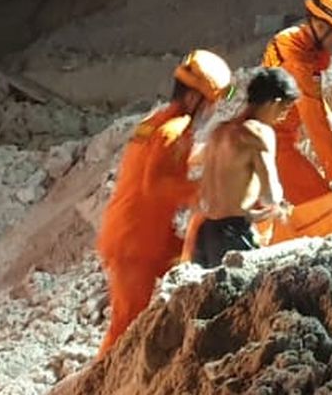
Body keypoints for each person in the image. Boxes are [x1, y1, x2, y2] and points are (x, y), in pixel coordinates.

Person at [96, 49, 231, 355]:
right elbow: (156, 183)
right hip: (135, 244)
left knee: (190, 270)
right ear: (195, 99)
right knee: (125, 324)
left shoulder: (156, 122)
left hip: (146, 235)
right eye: (212, 103)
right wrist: (202, 189)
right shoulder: (174, 130)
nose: (212, 110)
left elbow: (163, 161)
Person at [261, 0, 332, 201]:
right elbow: (315, 122)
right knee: (321, 202)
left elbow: (309, 95)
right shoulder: (299, 62)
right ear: (319, 25)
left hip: (270, 138)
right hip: (273, 146)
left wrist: (327, 111)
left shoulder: (293, 39)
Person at [192, 69, 297, 267]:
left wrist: (256, 215)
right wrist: (279, 206)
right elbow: (270, 195)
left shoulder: (218, 132)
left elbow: (221, 200)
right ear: (273, 103)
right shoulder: (258, 133)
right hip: (232, 235)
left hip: (205, 234)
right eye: (284, 109)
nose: (282, 117)